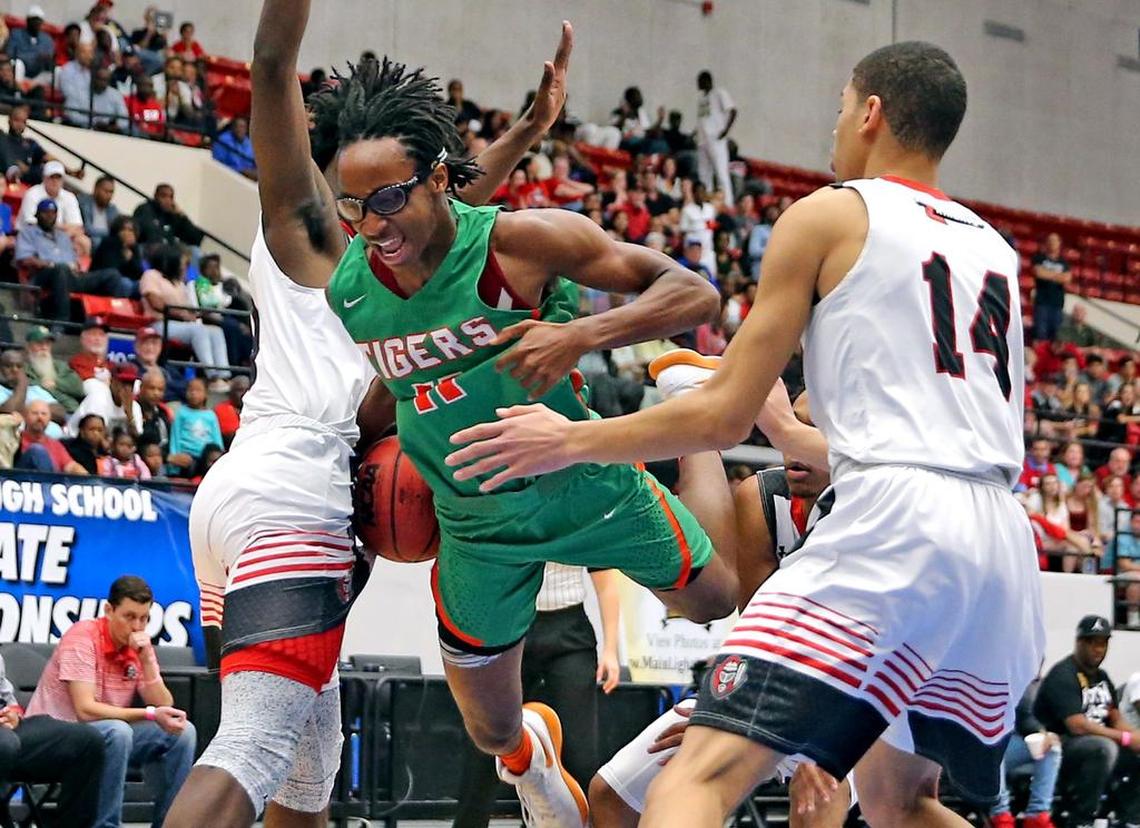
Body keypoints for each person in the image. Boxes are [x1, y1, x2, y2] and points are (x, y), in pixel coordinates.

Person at [449, 41, 1046, 825]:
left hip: (895, 524)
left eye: (839, 108)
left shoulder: (832, 213)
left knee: (694, 780)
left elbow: (724, 415)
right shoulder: (994, 250)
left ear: (871, 113)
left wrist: (563, 439)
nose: (833, 129)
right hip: (1002, 543)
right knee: (905, 802)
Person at [163, 4, 576, 826]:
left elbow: (450, 210)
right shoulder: (304, 225)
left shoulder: (378, 258)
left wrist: (528, 130)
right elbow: (272, 62)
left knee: (304, 780)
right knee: (249, 749)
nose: (388, 215)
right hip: (299, 503)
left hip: (232, 502)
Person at [322, 41, 744, 827]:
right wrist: (347, 460)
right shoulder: (354, 287)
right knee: (490, 730)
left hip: (579, 478)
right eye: (350, 206)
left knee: (717, 599)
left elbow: (695, 292)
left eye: (382, 201)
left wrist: (582, 337)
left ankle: (693, 421)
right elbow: (403, 377)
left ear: (435, 181)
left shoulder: (519, 245)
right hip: (475, 527)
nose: (367, 224)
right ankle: (532, 761)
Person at [591, 425, 847, 828]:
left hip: (864, 697)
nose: (794, 447)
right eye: (790, 428)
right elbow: (760, 634)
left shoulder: (880, 504)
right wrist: (724, 716)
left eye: (811, 430)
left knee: (819, 791)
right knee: (612, 795)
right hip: (772, 686)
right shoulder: (761, 496)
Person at [454, 566, 623, 828]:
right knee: (488, 742)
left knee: (579, 753)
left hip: (569, 631)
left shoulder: (580, 523)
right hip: (508, 627)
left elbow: (607, 581)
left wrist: (611, 649)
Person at [26, 576, 195, 828]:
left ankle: (170, 824)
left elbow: (164, 704)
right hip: (58, 738)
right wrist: (148, 714)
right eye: (129, 616)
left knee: (182, 733)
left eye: (144, 618)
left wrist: (147, 660)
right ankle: (106, 826)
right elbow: (85, 710)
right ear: (108, 610)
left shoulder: (137, 647)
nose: (137, 626)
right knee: (117, 731)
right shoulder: (82, 637)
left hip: (108, 737)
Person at [1033, 615, 1140, 828]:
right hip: (1061, 744)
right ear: (1079, 642)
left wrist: (1135, 738)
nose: (1098, 649)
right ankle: (1082, 819)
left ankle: (1129, 817)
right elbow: (1077, 725)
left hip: (1099, 743)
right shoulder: (1063, 674)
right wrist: (1125, 738)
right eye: (1092, 642)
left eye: (1103, 643)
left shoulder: (1102, 677)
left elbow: (1115, 717)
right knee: (1102, 748)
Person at [0, 649, 106, 827]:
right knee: (5, 745)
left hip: (9, 732)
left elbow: (9, 701)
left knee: (86, 741)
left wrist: (13, 714)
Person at [14, 198, 122, 321]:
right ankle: (62, 321)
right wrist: (49, 264)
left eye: (53, 213)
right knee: (61, 268)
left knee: (112, 275)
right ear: (37, 215)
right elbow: (24, 259)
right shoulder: (27, 233)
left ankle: (111, 321)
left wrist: (75, 265)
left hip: (70, 276)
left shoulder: (62, 236)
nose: (50, 216)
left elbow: (74, 260)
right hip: (44, 275)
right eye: (45, 212)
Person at [139, 244, 231, 384]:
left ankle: (224, 375)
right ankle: (212, 376)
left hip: (181, 326)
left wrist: (198, 313)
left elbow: (188, 309)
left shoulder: (179, 283)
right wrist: (182, 315)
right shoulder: (151, 275)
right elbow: (155, 303)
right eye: (182, 262)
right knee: (198, 330)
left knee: (215, 331)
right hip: (159, 323)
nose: (184, 266)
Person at [987, 680, 1061, 828]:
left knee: (1051, 748)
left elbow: (1024, 717)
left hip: (1009, 743)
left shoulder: (1023, 682)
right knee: (995, 744)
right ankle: (1000, 815)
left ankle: (1037, 816)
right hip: (979, 745)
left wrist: (1043, 734)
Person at [18, 160, 91, 257]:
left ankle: (76, 270)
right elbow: (32, 224)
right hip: (34, 234)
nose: (55, 181)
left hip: (61, 235)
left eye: (58, 178)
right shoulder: (32, 194)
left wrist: (60, 235)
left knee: (84, 241)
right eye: (51, 177)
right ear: (44, 178)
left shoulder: (70, 197)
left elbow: (77, 227)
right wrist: (62, 228)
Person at [695, 70, 736, 208]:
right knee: (704, 173)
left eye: (700, 81)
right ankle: (706, 200)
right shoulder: (701, 99)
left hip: (716, 138)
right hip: (702, 140)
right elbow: (703, 119)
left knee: (721, 171)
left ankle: (728, 202)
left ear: (707, 81)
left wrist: (725, 131)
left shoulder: (719, 93)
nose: (697, 84)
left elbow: (733, 110)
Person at [23, 325, 86, 414]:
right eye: (39, 343)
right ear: (28, 346)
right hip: (41, 413)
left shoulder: (61, 366)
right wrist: (41, 384)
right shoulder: (22, 367)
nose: (44, 347)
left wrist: (55, 383)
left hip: (71, 412)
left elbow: (79, 389)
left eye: (47, 344)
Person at [16, 400, 87, 474]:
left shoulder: (55, 444)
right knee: (37, 450)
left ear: (49, 418)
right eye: (35, 413)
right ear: (25, 416)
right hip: (20, 480)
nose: (40, 417)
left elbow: (71, 466)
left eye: (44, 414)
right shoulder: (15, 439)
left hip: (52, 483)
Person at [168, 377, 223, 466]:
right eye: (191, 390)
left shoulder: (211, 415)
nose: (194, 393)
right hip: (187, 456)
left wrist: (220, 456)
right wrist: (175, 456)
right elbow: (175, 436)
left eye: (198, 390)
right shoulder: (181, 412)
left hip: (206, 457)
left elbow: (217, 438)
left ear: (206, 394)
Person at [133, 183, 206, 248]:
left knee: (195, 251)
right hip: (148, 250)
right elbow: (148, 233)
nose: (168, 200)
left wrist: (181, 215)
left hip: (168, 255)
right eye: (163, 196)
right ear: (155, 196)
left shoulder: (172, 215)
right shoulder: (144, 209)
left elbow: (195, 239)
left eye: (171, 197)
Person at [130, 325, 188, 402]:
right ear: (136, 347)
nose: (150, 348)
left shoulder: (168, 369)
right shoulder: (130, 369)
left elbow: (185, 390)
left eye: (154, 343)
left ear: (160, 347)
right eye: (146, 343)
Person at [1032, 233, 1070, 343]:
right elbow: (1038, 273)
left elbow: (1067, 278)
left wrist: (1048, 274)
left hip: (1057, 304)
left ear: (1059, 244)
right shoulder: (1039, 258)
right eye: (1050, 240)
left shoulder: (1063, 262)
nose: (1052, 243)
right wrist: (1057, 276)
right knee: (1040, 335)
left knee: (1056, 336)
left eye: (1054, 241)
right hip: (1042, 303)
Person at [4, 6, 55, 81]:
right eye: (34, 20)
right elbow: (10, 53)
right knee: (17, 64)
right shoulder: (16, 34)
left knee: (57, 71)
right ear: (27, 21)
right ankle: (17, 91)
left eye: (39, 21)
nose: (37, 23)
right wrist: (33, 57)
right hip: (22, 70)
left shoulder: (47, 39)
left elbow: (49, 57)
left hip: (39, 73)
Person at [79, 175, 122, 248]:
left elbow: (117, 232)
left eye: (111, 192)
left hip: (106, 243)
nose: (109, 195)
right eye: (105, 191)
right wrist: (109, 232)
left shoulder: (113, 209)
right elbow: (88, 229)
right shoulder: (84, 202)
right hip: (89, 240)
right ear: (96, 189)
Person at [213, 375, 250, 448]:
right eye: (240, 390)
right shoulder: (222, 408)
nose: (244, 394)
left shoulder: (257, 409)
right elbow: (231, 437)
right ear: (231, 393)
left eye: (247, 390)